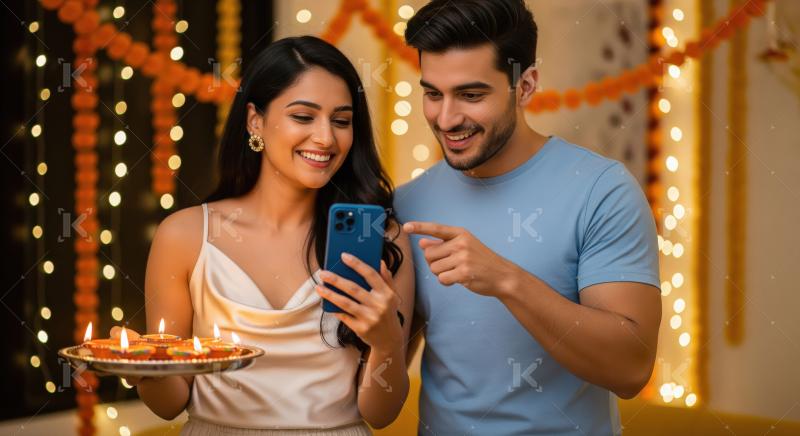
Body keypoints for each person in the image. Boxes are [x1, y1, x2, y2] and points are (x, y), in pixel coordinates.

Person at [110, 36, 415, 435]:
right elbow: (169, 405)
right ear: (255, 120)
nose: (326, 138)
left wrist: (387, 343)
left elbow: (380, 413)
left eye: (341, 121)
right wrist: (143, 370)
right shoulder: (184, 236)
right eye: (303, 117)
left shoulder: (381, 239)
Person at [395, 1, 662, 434]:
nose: (446, 118)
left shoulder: (602, 191)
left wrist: (506, 281)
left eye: (471, 95)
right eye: (433, 94)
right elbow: (383, 384)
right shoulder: (408, 204)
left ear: (525, 85)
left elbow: (631, 370)